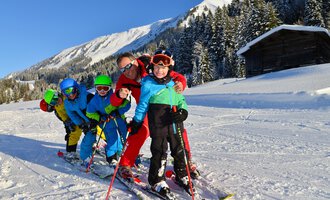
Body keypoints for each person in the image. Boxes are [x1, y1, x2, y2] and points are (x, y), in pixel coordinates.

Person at [110, 50, 199, 181]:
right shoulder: (124, 80)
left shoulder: (151, 67)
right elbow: (114, 101)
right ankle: (125, 164)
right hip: (145, 108)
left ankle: (186, 161)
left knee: (178, 130)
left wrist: (181, 85)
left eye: (128, 66)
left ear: (135, 61)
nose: (127, 71)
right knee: (140, 130)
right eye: (122, 69)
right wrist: (119, 95)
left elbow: (177, 77)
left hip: (161, 106)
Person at [130, 52, 195, 196]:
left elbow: (181, 101)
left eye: (164, 68)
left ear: (169, 69)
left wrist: (183, 112)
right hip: (158, 123)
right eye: (157, 67)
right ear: (152, 67)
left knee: (179, 149)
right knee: (159, 151)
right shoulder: (148, 84)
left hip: (174, 123)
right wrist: (137, 121)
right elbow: (142, 105)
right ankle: (156, 180)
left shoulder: (172, 84)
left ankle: (182, 175)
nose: (160, 70)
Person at [86, 75, 131, 167]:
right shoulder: (94, 101)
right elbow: (89, 113)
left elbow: (127, 104)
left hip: (120, 121)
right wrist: (99, 117)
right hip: (107, 123)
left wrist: (118, 111)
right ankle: (112, 159)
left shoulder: (115, 96)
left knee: (126, 139)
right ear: (95, 88)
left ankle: (131, 157)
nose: (102, 91)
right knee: (112, 140)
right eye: (99, 88)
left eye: (105, 88)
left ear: (110, 88)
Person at [59, 78, 96, 167]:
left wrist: (97, 120)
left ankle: (117, 154)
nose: (70, 94)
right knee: (86, 142)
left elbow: (98, 107)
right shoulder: (68, 103)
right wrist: (81, 124)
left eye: (70, 90)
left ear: (76, 88)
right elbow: (72, 115)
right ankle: (87, 159)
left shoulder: (87, 96)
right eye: (65, 92)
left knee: (109, 136)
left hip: (99, 121)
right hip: (88, 123)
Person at [40, 89, 82, 159]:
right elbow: (64, 119)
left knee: (93, 129)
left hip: (81, 116)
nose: (56, 102)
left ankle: (100, 141)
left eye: (55, 98)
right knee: (74, 133)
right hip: (75, 121)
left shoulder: (66, 98)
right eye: (53, 103)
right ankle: (71, 151)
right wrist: (68, 128)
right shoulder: (57, 108)